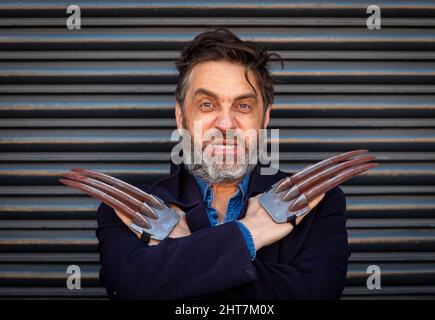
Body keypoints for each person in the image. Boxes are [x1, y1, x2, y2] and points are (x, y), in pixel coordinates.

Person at [95, 28, 350, 299]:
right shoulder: (130, 208)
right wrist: (251, 232)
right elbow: (130, 291)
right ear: (181, 117)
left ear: (264, 119)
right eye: (207, 104)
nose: (226, 124)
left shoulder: (316, 204)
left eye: (243, 106)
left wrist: (186, 249)